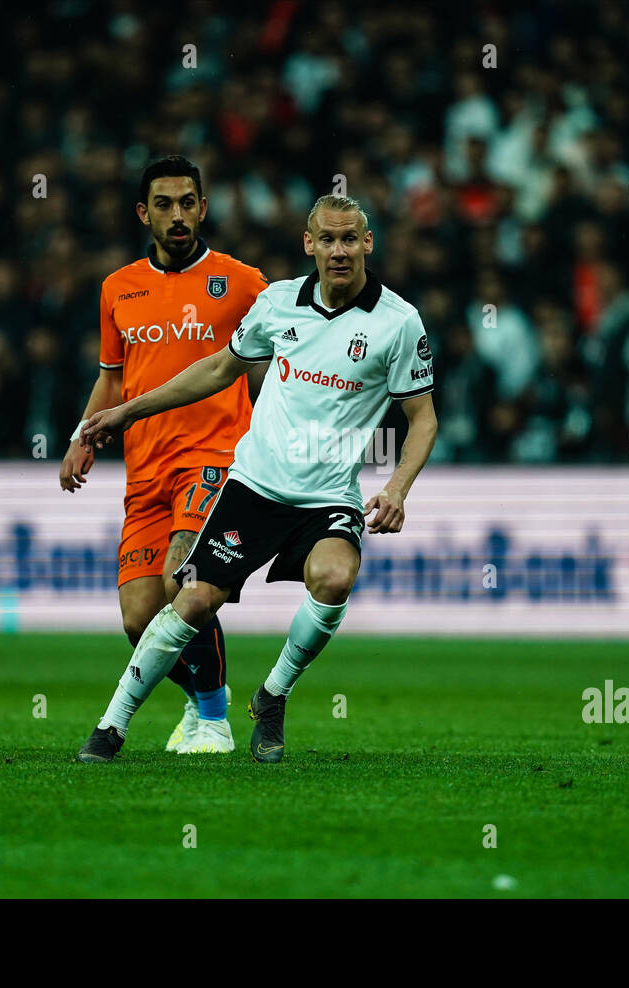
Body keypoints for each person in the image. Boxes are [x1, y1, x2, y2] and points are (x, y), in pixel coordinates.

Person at [75, 194, 438, 764]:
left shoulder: (398, 322)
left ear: (368, 243)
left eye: (350, 239)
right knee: (191, 600)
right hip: (253, 488)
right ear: (308, 243)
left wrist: (396, 488)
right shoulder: (277, 304)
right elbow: (221, 368)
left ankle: (272, 696)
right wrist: (128, 410)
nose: (338, 251)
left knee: (335, 577)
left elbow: (423, 419)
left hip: (326, 498)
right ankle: (112, 725)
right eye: (327, 239)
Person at [61, 156, 268, 754]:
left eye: (187, 203)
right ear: (143, 212)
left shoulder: (243, 282)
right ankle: (209, 702)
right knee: (138, 615)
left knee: (186, 577)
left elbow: (295, 343)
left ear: (203, 208)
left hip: (215, 457)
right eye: (164, 204)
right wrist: (83, 436)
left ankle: (215, 722)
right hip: (145, 465)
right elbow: (111, 378)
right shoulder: (118, 288)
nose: (177, 215)